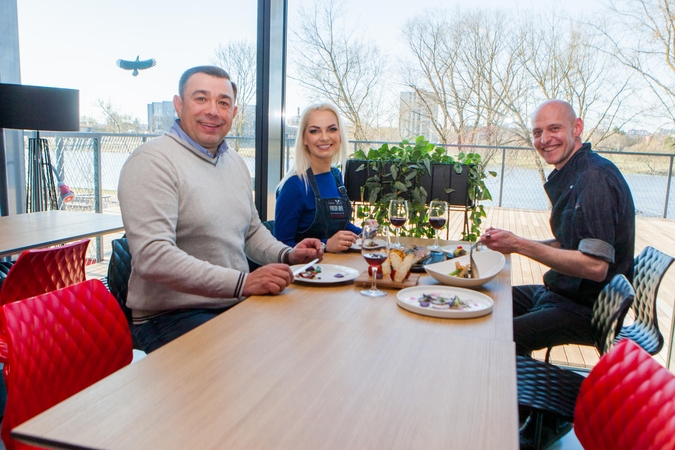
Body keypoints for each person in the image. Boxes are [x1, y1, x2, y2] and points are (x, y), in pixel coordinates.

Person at [118, 66, 323, 353]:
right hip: (169, 317)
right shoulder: (152, 161)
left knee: (304, 342)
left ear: (234, 113)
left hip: (233, 301)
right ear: (179, 105)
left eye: (223, 103)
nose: (213, 111)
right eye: (201, 99)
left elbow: (251, 232)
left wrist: (288, 254)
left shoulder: (236, 164)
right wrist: (244, 282)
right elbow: (154, 258)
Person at [480, 99, 635, 356]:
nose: (545, 139)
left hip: (585, 309)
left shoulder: (594, 178)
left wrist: (519, 245)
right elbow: (570, 243)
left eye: (554, 129)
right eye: (537, 132)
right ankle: (520, 371)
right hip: (558, 293)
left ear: (577, 128)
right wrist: (512, 240)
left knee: (491, 336)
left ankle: (512, 387)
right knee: (482, 300)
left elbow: (595, 267)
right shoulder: (576, 172)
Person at [274, 103, 361, 252]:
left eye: (332, 129)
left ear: (340, 135)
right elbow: (279, 248)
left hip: (339, 270)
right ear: (304, 139)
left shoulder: (336, 176)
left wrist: (364, 233)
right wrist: (325, 245)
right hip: (307, 273)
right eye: (315, 131)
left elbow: (339, 224)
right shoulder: (294, 186)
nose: (325, 137)